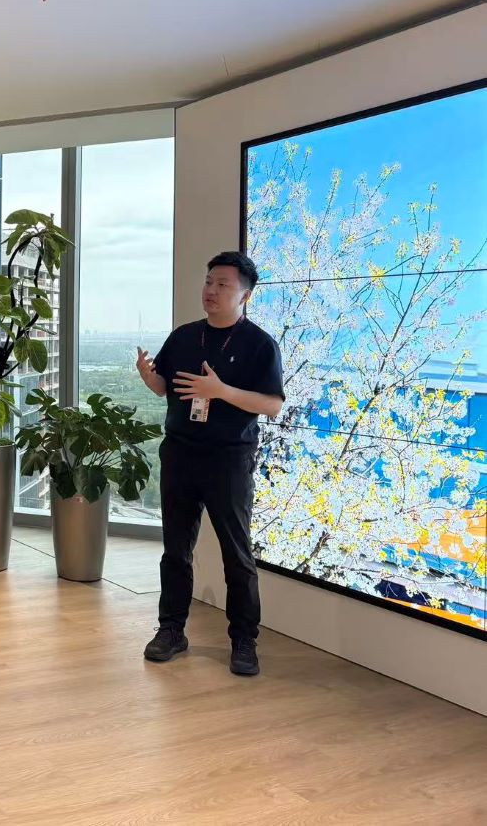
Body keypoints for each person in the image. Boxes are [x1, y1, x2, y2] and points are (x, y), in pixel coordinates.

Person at [136, 251, 285, 677]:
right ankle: (171, 630)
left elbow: (272, 405)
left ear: (245, 295)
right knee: (175, 550)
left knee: (236, 553)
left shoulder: (259, 344)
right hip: (180, 453)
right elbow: (165, 387)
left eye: (223, 284)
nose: (211, 290)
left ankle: (244, 641)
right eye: (208, 282)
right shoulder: (184, 336)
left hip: (228, 459)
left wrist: (220, 391)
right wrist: (149, 377)